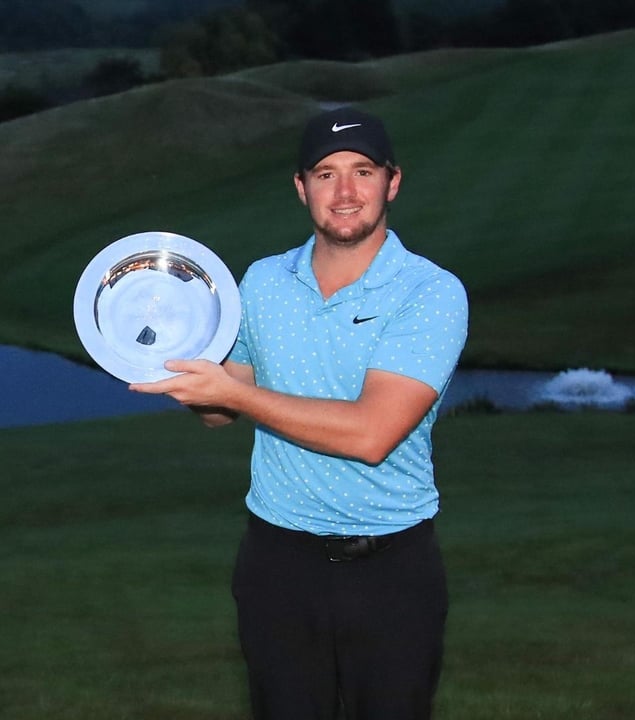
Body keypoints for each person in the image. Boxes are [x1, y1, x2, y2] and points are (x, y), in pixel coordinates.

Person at [129, 106, 469, 720]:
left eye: (363, 171)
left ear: (392, 182)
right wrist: (184, 368)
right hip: (277, 564)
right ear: (300, 187)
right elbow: (220, 412)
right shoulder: (260, 282)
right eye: (325, 173)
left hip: (392, 568)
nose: (345, 192)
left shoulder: (430, 292)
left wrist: (237, 395)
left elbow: (372, 433)